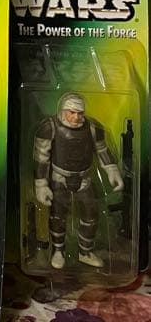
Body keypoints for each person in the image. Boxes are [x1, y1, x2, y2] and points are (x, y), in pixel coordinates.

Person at [33, 93, 123, 270]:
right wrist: (41, 184)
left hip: (84, 178)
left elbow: (102, 150)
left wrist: (112, 170)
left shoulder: (93, 128)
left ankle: (85, 252)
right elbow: (41, 157)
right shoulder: (49, 127)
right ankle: (58, 251)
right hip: (59, 178)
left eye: (80, 113)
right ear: (63, 111)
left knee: (91, 214)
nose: (76, 117)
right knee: (57, 215)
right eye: (72, 112)